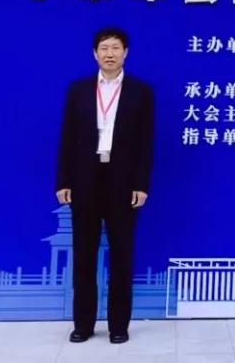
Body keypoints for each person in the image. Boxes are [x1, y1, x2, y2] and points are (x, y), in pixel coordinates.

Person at [55, 27, 154, 344]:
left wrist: (141, 184)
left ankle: (118, 326)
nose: (109, 53)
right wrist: (63, 180)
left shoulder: (141, 91)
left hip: (122, 181)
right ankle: (83, 324)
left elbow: (146, 143)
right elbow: (67, 136)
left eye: (115, 48)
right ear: (94, 53)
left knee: (121, 254)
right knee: (83, 254)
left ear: (126, 52)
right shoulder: (79, 90)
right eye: (104, 48)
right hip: (85, 178)